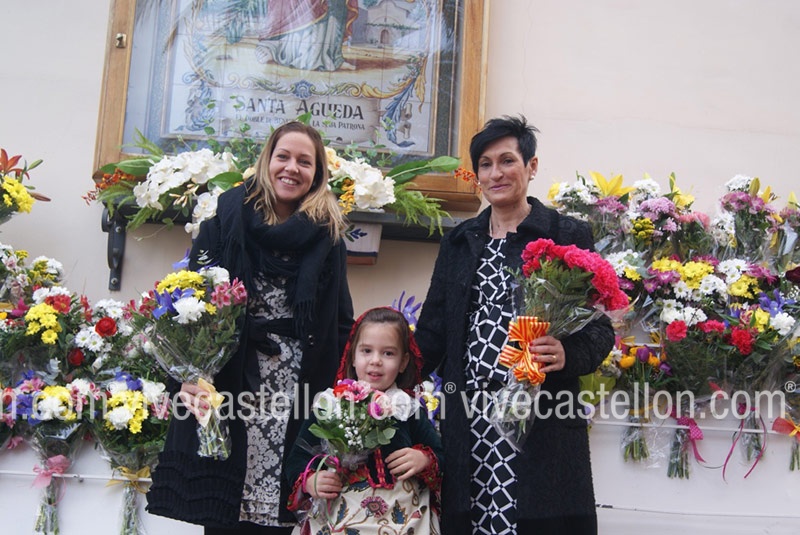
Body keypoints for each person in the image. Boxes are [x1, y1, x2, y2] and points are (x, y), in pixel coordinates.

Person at [146, 121, 355, 534]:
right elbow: (188, 305)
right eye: (283, 156)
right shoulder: (224, 222)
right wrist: (184, 378)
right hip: (232, 381)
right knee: (225, 511)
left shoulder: (328, 237)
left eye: (304, 161)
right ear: (266, 161)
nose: (291, 168)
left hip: (296, 389)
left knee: (284, 512)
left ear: (317, 174)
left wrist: (345, 395)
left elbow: (341, 322)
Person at [414, 115, 615, 535]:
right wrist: (381, 378)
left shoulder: (566, 234)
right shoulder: (459, 241)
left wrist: (566, 353)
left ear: (531, 166)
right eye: (485, 164)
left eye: (507, 161)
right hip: (468, 418)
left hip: (541, 419)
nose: (496, 174)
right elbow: (433, 332)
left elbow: (599, 329)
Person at [284, 307, 443, 535]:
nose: (375, 361)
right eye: (367, 351)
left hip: (402, 516)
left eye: (388, 353)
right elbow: (296, 459)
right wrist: (311, 480)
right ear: (352, 355)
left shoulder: (406, 408)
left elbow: (440, 455)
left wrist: (424, 459)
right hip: (340, 516)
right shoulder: (330, 405)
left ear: (403, 362)